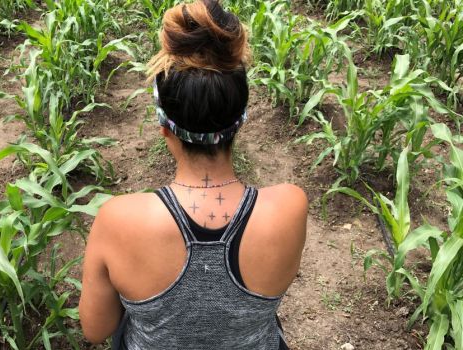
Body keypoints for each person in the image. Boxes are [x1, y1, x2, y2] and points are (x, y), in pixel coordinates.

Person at [79, 0, 308, 348]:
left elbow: (96, 330)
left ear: (165, 128)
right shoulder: (290, 207)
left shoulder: (117, 222)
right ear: (240, 120)